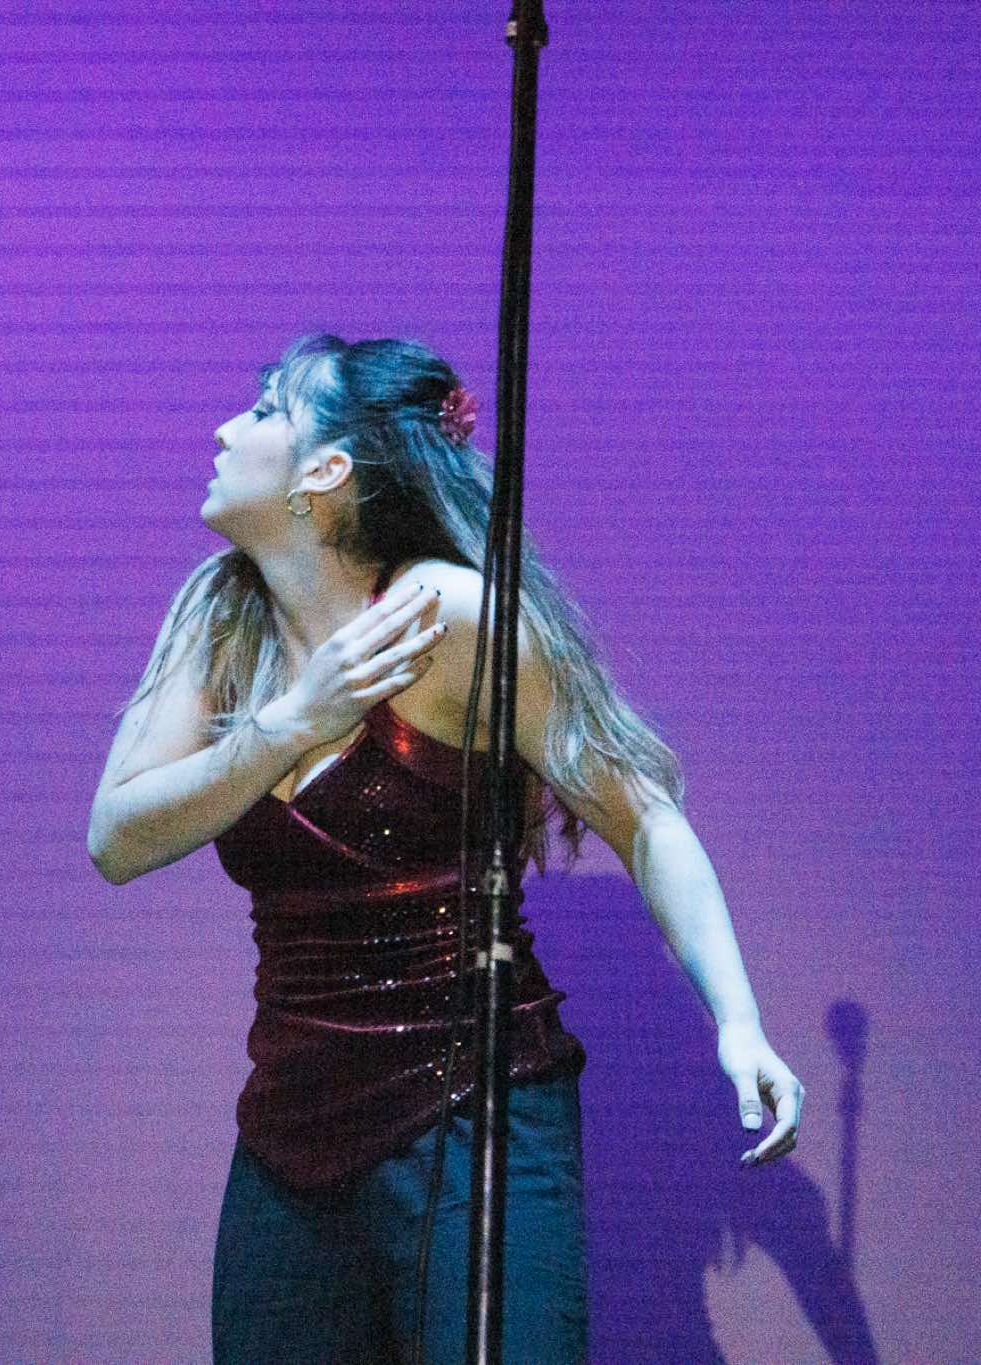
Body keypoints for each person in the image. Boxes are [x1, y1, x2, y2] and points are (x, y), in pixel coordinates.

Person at [88, 333, 802, 1364]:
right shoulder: (220, 617)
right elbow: (116, 838)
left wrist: (737, 1021)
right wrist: (289, 722)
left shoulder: (445, 615)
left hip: (472, 1115)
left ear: (325, 472)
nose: (226, 429)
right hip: (289, 1133)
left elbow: (642, 814)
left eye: (265, 410)